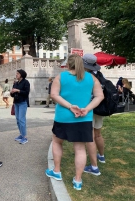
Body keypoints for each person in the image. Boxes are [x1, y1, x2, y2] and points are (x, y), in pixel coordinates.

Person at [45, 54, 104, 191]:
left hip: (63, 117)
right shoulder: (92, 78)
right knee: (80, 148)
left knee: (57, 142)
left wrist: (70, 106)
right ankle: (78, 180)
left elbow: (54, 95)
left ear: (68, 64)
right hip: (84, 118)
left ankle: (57, 171)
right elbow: (99, 96)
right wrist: (87, 108)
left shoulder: (61, 77)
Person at [80, 54, 105, 176]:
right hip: (100, 108)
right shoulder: (100, 75)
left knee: (90, 138)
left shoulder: (86, 76)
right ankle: (101, 156)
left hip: (89, 109)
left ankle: (94, 167)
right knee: (98, 135)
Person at [10, 69, 30, 144]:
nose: (16, 75)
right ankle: (21, 134)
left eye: (17, 73)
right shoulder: (15, 83)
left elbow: (26, 93)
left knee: (22, 120)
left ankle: (25, 137)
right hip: (16, 103)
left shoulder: (26, 82)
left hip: (23, 102)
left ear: (21, 74)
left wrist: (18, 90)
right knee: (18, 120)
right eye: (16, 73)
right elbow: (12, 95)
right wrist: (12, 92)